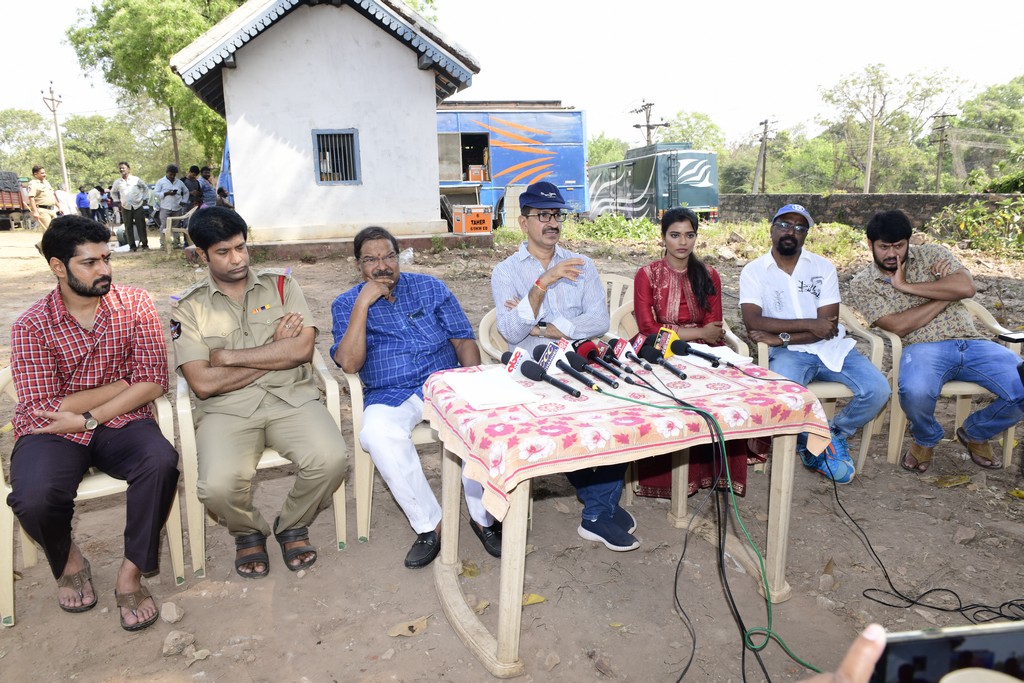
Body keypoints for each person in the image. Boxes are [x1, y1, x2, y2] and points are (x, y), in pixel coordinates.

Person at [7, 215, 180, 631]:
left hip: (122, 420)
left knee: (160, 462)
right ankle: (69, 560)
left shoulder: (135, 303)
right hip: (51, 431)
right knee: (33, 497)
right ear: (57, 266)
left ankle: (130, 574)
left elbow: (153, 379)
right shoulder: (31, 324)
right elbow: (42, 405)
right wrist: (121, 383)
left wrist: (89, 417)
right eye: (90, 262)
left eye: (106, 258)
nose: (104, 269)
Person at [173, 207, 347, 578]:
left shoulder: (282, 286)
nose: (237, 259)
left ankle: (292, 524)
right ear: (202, 255)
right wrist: (275, 351)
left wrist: (227, 359)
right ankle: (247, 531)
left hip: (291, 399)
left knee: (331, 459)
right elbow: (203, 383)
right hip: (226, 410)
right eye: (223, 252)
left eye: (241, 247)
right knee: (216, 488)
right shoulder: (189, 309)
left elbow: (301, 350)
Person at [331, 226, 501, 568]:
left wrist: (471, 383)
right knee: (377, 433)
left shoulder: (430, 287)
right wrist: (363, 305)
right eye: (371, 260)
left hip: (443, 382)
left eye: (389, 257)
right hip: (390, 391)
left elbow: (463, 339)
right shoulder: (346, 303)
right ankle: (430, 525)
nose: (382, 266)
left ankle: (483, 517)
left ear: (398, 257)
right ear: (358, 265)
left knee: (477, 424)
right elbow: (349, 363)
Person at [491, 181, 638, 552]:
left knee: (622, 415)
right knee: (571, 426)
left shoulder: (582, 265)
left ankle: (597, 504)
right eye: (543, 215)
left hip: (579, 363)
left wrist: (546, 326)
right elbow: (511, 331)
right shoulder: (505, 272)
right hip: (534, 375)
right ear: (523, 222)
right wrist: (544, 282)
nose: (552, 223)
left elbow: (599, 321)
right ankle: (598, 511)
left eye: (556, 215)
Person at [849, 209, 1024, 473]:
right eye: (884, 247)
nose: (893, 254)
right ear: (870, 244)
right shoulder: (864, 283)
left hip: (973, 342)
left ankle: (976, 432)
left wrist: (906, 286)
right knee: (915, 392)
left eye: (899, 245)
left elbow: (966, 288)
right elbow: (898, 325)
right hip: (923, 348)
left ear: (908, 241)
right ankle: (926, 437)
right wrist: (945, 293)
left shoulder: (932, 254)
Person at [739, 203, 889, 485]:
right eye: (785, 224)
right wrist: (808, 325)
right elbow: (753, 322)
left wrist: (781, 336)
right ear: (772, 228)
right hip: (788, 355)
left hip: (832, 349)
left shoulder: (822, 267)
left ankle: (833, 435)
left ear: (806, 234)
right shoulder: (754, 271)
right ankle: (815, 444)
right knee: (787, 398)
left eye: (799, 227)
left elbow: (827, 327)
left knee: (878, 390)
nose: (791, 231)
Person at [634, 207, 756, 495]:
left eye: (689, 235)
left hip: (704, 349)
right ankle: (668, 480)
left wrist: (701, 334)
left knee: (727, 393)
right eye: (675, 235)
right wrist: (698, 333)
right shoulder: (647, 274)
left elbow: (714, 326)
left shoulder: (709, 275)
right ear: (663, 237)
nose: (682, 242)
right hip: (658, 349)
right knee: (669, 399)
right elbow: (648, 328)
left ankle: (713, 472)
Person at [110, 162, 150, 251]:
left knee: (141, 226)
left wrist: (144, 199)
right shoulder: (118, 182)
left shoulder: (136, 179)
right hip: (125, 207)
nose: (121, 169)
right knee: (128, 227)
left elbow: (145, 188)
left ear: (128, 169)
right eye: (120, 168)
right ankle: (132, 247)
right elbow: (113, 192)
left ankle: (145, 245)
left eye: (123, 168)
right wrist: (117, 201)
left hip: (138, 205)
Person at [153, 164, 188, 248]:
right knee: (164, 226)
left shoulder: (179, 182)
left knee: (176, 226)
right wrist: (166, 193)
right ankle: (163, 244)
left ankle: (176, 244)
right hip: (165, 207)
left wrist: (184, 201)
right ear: (167, 172)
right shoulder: (161, 182)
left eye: (174, 174)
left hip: (177, 207)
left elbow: (186, 192)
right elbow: (156, 193)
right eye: (170, 174)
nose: (172, 176)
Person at [27, 165, 59, 230]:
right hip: (42, 210)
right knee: (48, 231)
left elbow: (52, 195)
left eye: (44, 173)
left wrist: (59, 207)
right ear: (35, 174)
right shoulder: (33, 184)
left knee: (56, 230)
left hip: (52, 209)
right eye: (42, 173)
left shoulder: (46, 182)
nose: (44, 175)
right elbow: (31, 198)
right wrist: (35, 212)